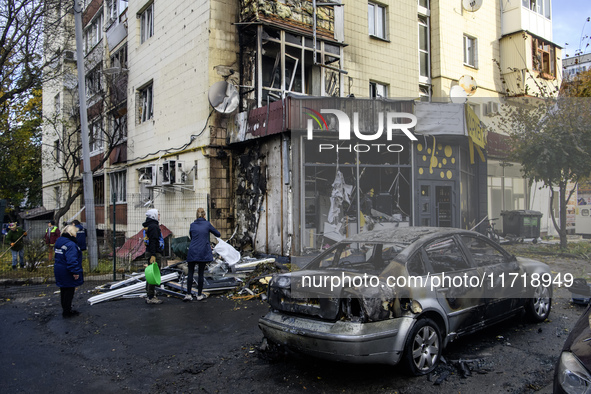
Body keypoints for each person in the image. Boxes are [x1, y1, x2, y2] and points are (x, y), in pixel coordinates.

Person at [185, 207, 220, 301]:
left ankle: (188, 294)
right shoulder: (207, 224)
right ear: (204, 215)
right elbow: (218, 234)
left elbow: (192, 236)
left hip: (192, 250)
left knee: (191, 272)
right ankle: (199, 295)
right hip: (202, 251)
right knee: (201, 273)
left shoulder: (192, 225)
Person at [53, 225, 83, 318]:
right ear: (72, 233)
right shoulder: (71, 245)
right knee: (69, 291)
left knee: (63, 290)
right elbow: (72, 260)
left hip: (59, 268)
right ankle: (67, 312)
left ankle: (65, 309)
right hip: (67, 270)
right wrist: (75, 272)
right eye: (75, 233)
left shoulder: (60, 241)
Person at [143, 209, 164, 304]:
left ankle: (149, 293)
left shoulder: (149, 226)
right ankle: (151, 296)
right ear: (153, 216)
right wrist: (153, 255)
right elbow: (153, 241)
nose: (159, 216)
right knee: (153, 274)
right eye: (158, 214)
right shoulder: (154, 227)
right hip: (154, 253)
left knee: (150, 274)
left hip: (150, 252)